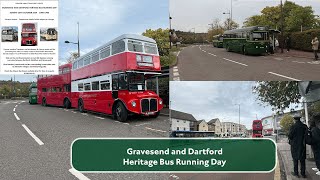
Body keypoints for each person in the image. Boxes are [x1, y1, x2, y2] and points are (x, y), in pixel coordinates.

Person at [288, 114, 308, 178]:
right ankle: (303, 173)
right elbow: (306, 136)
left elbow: (290, 136)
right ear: (299, 119)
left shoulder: (293, 126)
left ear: (295, 119)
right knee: (302, 160)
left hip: (295, 145)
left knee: (295, 159)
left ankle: (296, 173)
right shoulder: (304, 126)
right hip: (302, 145)